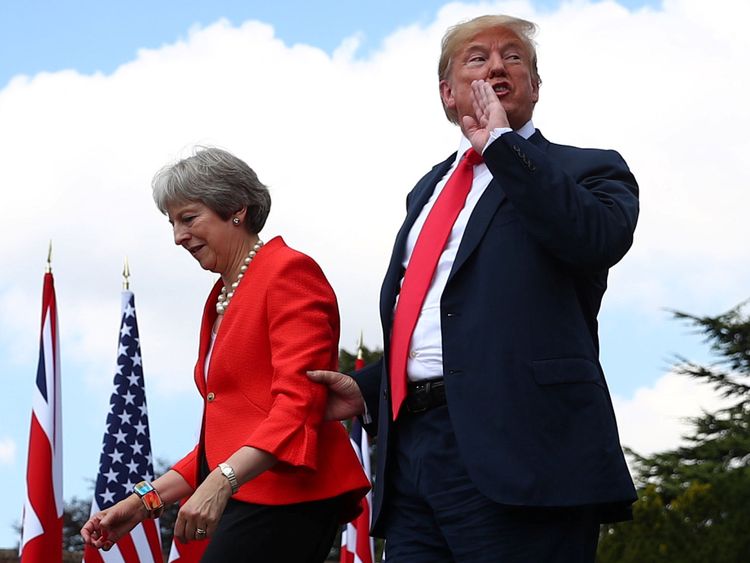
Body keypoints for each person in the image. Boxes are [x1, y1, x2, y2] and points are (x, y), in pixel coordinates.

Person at [308, 14, 639, 562]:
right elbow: (447, 317)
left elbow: (593, 240)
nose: (497, 66)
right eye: (477, 58)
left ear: (535, 85)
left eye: (514, 56)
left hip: (526, 453)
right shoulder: (428, 190)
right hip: (413, 458)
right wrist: (371, 389)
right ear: (447, 92)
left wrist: (503, 146)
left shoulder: (589, 169)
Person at [82, 147, 370, 562]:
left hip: (290, 493)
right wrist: (140, 503)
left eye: (189, 218)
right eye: (172, 223)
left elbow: (298, 404)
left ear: (236, 209)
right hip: (247, 492)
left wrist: (222, 481)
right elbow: (223, 438)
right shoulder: (221, 296)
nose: (178, 237)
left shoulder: (288, 271)